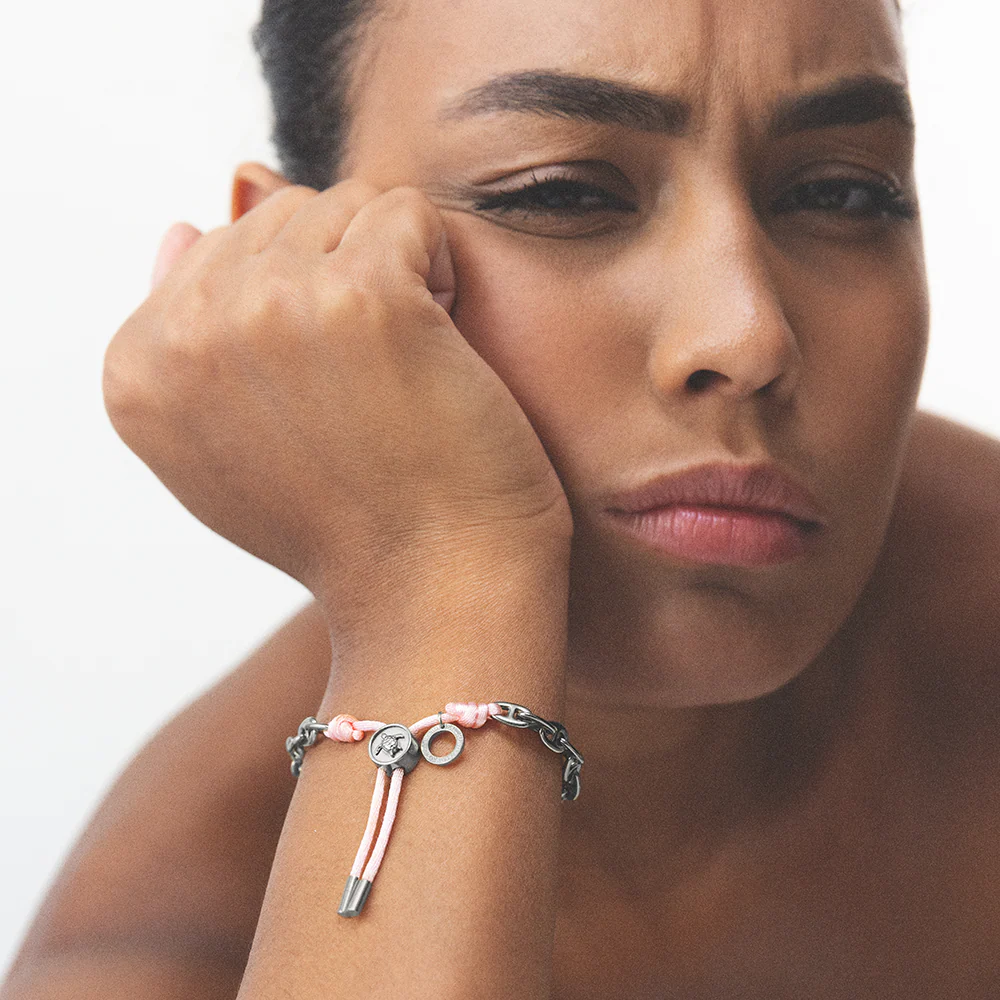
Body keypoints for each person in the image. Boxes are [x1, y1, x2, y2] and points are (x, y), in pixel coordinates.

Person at [3, 0, 999, 995]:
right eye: (561, 194)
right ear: (285, 276)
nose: (744, 336)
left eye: (842, 193)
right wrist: (444, 584)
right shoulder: (163, 951)